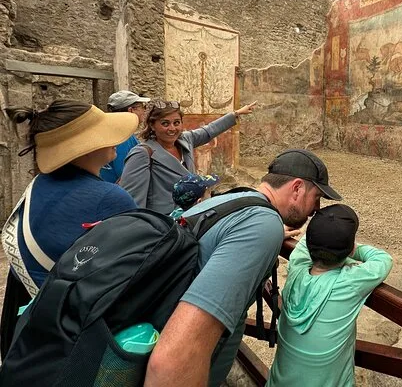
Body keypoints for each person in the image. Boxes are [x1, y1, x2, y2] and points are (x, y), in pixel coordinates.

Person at [144, 149, 342, 387]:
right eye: (317, 196)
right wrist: (264, 232)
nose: (317, 208)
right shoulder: (261, 225)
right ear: (297, 188)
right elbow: (173, 360)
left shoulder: (232, 199)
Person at [0, 99, 139, 358]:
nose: (116, 140)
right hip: (69, 335)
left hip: (24, 322)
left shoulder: (39, 184)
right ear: (84, 148)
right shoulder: (110, 197)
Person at [267, 204, 393, 387]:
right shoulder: (348, 282)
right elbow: (383, 259)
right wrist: (353, 251)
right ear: (350, 248)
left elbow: (304, 244)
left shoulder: (297, 267)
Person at [119, 100, 257, 214]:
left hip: (190, 217)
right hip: (163, 225)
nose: (172, 128)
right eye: (165, 123)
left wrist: (235, 114)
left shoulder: (185, 140)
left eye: (176, 123)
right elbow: (133, 200)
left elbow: (208, 131)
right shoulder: (142, 154)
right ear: (152, 125)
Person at [99, 89, 150, 183]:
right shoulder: (123, 136)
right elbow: (125, 174)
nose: (144, 110)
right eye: (143, 107)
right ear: (131, 110)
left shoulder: (110, 130)